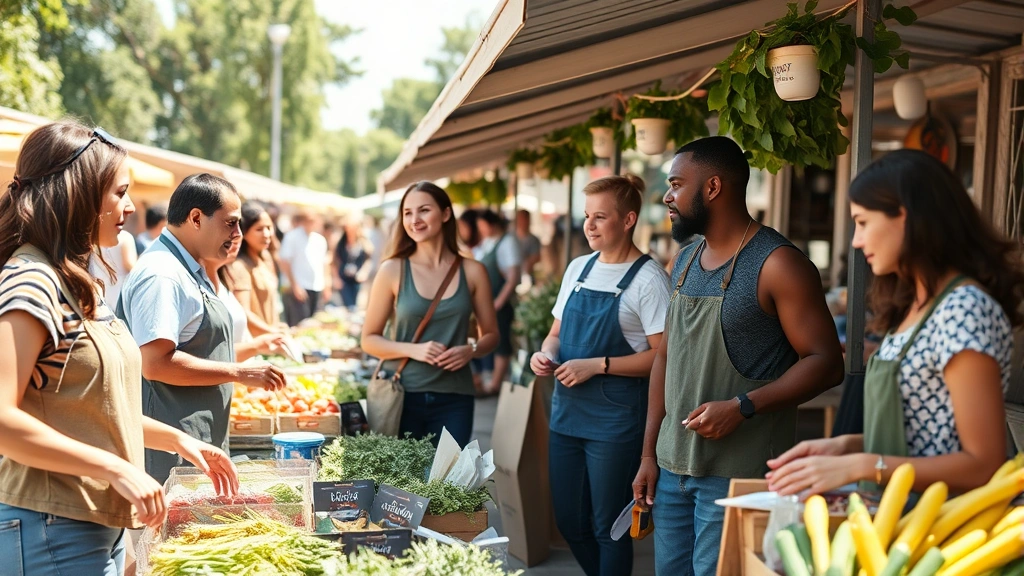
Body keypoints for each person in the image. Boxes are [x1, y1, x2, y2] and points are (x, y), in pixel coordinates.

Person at [0, 122, 238, 575]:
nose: (130, 207)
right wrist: (118, 469)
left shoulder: (74, 278)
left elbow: (95, 405)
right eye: (119, 193)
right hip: (52, 528)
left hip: (90, 528)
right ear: (78, 193)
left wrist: (179, 440)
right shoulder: (31, 279)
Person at [632, 137, 844, 576]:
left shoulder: (778, 263)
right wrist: (649, 454)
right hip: (672, 470)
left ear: (712, 188)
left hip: (738, 475)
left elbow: (826, 362)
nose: (667, 196)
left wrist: (743, 407)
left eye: (676, 184)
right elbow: (664, 359)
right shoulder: (685, 259)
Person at [766, 149, 1022, 496]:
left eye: (863, 222)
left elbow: (982, 463)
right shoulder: (915, 308)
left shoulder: (964, 309)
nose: (855, 241)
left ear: (904, 218)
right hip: (897, 521)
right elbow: (922, 438)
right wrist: (846, 447)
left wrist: (859, 465)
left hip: (943, 533)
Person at [530, 175, 671, 576]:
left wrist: (598, 365)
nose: (589, 226)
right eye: (587, 216)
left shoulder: (648, 279)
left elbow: (663, 356)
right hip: (567, 414)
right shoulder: (578, 268)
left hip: (615, 420)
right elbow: (555, 335)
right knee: (570, 522)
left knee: (608, 526)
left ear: (628, 220)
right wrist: (545, 355)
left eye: (600, 217)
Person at [117, 173, 286, 484]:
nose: (238, 233)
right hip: (172, 452)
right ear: (196, 218)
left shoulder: (188, 267)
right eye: (230, 223)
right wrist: (238, 372)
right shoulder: (163, 274)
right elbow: (154, 364)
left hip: (193, 442)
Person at [361, 182, 500, 447]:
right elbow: (368, 340)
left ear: (446, 214)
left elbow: (492, 335)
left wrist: (471, 349)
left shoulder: (473, 271)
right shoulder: (392, 270)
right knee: (402, 485)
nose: (415, 220)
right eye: (408, 213)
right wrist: (414, 350)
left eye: (424, 210)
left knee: (448, 484)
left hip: (455, 398)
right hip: (402, 395)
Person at [204, 242, 287, 361]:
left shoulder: (224, 276)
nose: (236, 235)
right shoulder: (238, 268)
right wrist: (257, 345)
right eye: (229, 224)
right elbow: (208, 357)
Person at [476, 210, 522, 395]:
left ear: (492, 224)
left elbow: (513, 277)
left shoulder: (508, 242)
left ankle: (495, 385)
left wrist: (499, 302)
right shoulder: (488, 242)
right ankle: (490, 381)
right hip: (487, 302)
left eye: (482, 225)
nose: (481, 229)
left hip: (499, 303)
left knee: (502, 342)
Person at [224, 202, 283, 337]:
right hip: (255, 344)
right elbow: (244, 313)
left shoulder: (266, 258)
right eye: (259, 229)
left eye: (269, 227)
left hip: (272, 340)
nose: (266, 234)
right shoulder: (239, 266)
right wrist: (273, 333)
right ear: (244, 232)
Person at [279, 212, 329, 326]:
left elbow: (324, 264)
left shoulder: (320, 240)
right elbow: (285, 261)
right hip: (298, 287)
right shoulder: (292, 236)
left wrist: (327, 284)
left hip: (315, 286)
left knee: (313, 322)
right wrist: (294, 285)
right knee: (298, 324)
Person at [333, 213, 374, 309]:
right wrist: (336, 278)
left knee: (355, 305)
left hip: (357, 279)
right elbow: (334, 261)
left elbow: (368, 260)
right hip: (344, 279)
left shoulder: (363, 242)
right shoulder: (340, 243)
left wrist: (364, 272)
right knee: (349, 305)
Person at [90, 228, 138, 308]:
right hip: (119, 292)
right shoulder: (125, 237)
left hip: (100, 292)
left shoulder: (93, 237)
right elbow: (130, 265)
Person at [516, 209, 542, 283]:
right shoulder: (511, 237)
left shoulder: (534, 240)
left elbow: (536, 257)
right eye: (521, 219)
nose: (523, 222)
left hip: (527, 277)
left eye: (525, 219)